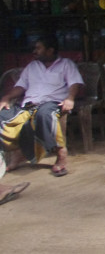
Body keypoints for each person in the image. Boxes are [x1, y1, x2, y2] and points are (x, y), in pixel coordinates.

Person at [0, 34, 83, 177]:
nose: (34, 51)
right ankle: (18, 153)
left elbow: (75, 82)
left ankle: (61, 153)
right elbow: (20, 86)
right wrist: (6, 97)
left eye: (38, 48)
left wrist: (70, 98)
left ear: (50, 50)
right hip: (28, 106)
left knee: (44, 115)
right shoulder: (32, 67)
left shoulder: (66, 64)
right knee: (3, 116)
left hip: (53, 103)